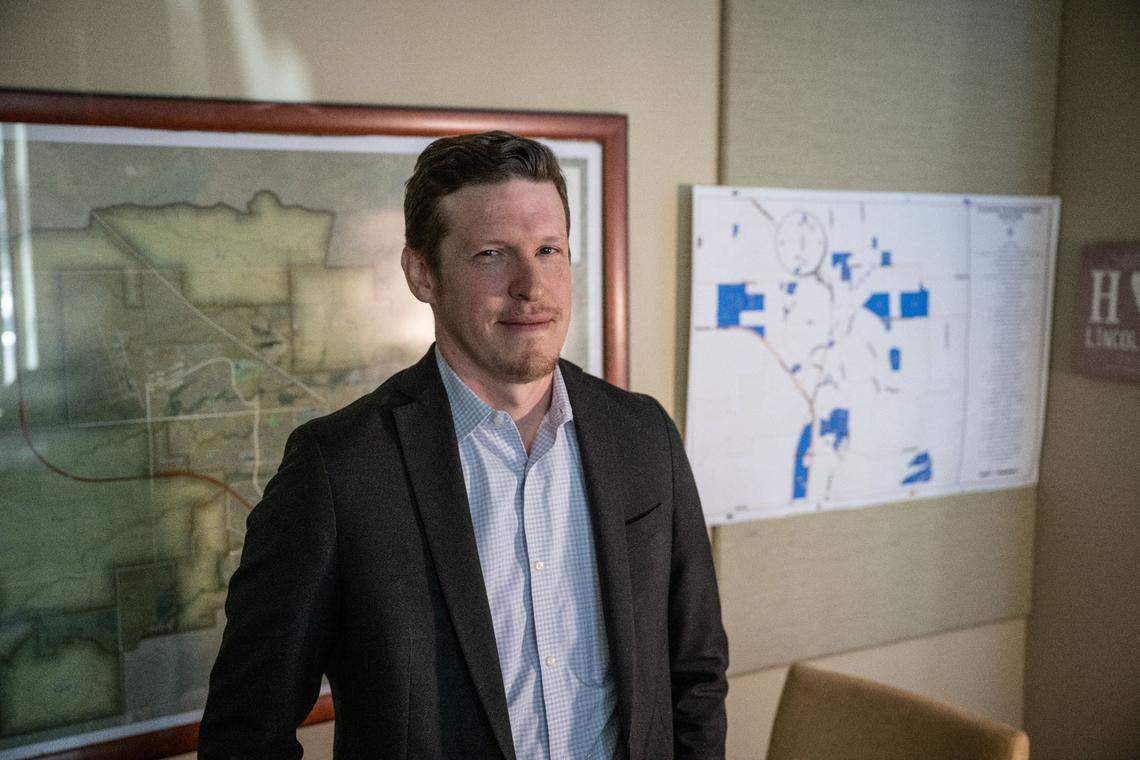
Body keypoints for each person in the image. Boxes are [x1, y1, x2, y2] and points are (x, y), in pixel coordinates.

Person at [199, 131, 728, 759]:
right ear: (422, 272)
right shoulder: (338, 471)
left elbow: (695, 675)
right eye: (493, 254)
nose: (533, 286)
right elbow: (245, 731)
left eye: (549, 249)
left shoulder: (644, 437)